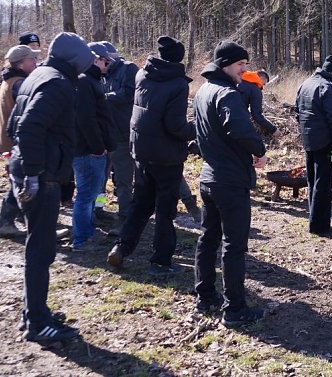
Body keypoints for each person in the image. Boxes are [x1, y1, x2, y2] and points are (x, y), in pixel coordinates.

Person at [8, 32, 95, 343]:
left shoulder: (38, 75)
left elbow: (12, 125)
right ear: (76, 60)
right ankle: (37, 323)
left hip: (32, 169)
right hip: (40, 176)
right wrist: (32, 173)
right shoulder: (57, 83)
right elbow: (30, 126)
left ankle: (34, 312)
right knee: (41, 251)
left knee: (37, 248)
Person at [192, 41, 267, 327]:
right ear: (225, 65)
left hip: (209, 178)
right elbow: (239, 128)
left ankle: (205, 296)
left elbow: (202, 132)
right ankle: (234, 310)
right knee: (234, 246)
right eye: (241, 65)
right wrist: (258, 150)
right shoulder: (226, 94)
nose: (245, 69)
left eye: (246, 64)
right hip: (229, 181)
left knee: (207, 238)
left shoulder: (203, 92)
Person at [107, 36, 196, 276]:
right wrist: (196, 128)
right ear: (180, 58)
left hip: (141, 151)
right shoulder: (177, 83)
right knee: (166, 211)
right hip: (166, 156)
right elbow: (175, 126)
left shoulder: (142, 74)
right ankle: (161, 262)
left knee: (141, 204)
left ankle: (121, 248)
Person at [71, 44, 116, 252]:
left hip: (91, 149)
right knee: (85, 195)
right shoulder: (84, 82)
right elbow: (86, 119)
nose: (107, 66)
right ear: (96, 59)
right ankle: (81, 240)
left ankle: (86, 233)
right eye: (105, 62)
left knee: (88, 195)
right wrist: (98, 148)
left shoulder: (91, 80)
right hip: (87, 150)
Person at [296, 55, 332, 235]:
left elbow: (298, 112)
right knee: (323, 185)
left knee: (313, 182)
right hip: (325, 143)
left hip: (309, 141)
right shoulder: (327, 87)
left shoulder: (305, 83)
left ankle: (314, 221)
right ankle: (319, 226)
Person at [0, 45, 38, 238]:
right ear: (20, 64)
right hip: (14, 141)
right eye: (31, 60)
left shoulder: (10, 80)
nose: (36, 62)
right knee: (19, 183)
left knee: (16, 182)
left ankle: (12, 221)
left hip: (7, 140)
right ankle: (9, 222)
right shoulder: (19, 84)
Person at [101, 42, 140, 230]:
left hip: (124, 136)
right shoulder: (103, 75)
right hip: (106, 135)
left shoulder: (128, 69)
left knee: (124, 181)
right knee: (101, 179)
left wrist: (102, 97)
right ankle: (99, 207)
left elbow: (129, 94)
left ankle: (125, 220)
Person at [238, 69, 281, 139]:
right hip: (236, 122)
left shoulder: (238, 79)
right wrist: (274, 130)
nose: (263, 87)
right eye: (264, 84)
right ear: (261, 78)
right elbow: (257, 115)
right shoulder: (255, 89)